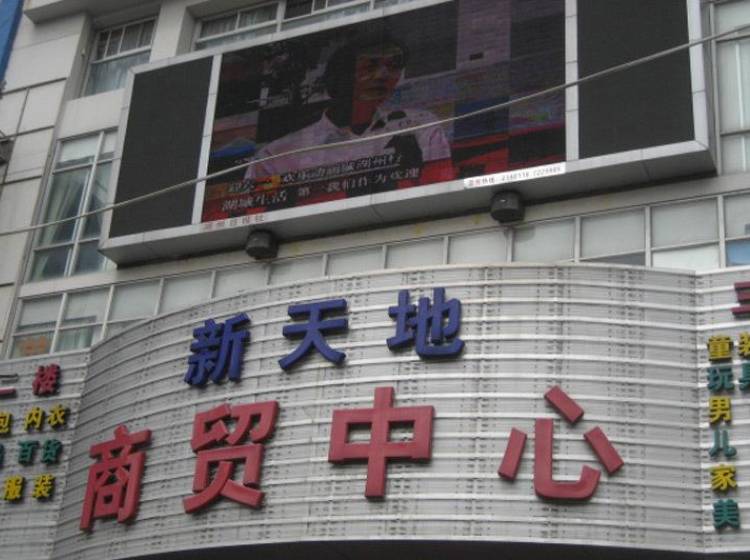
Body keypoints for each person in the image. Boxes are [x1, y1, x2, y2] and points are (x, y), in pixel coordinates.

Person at [244, 33, 454, 187]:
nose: (383, 75)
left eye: (393, 66)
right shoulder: (276, 156)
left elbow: (440, 188)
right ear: (341, 75)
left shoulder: (421, 127)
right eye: (370, 66)